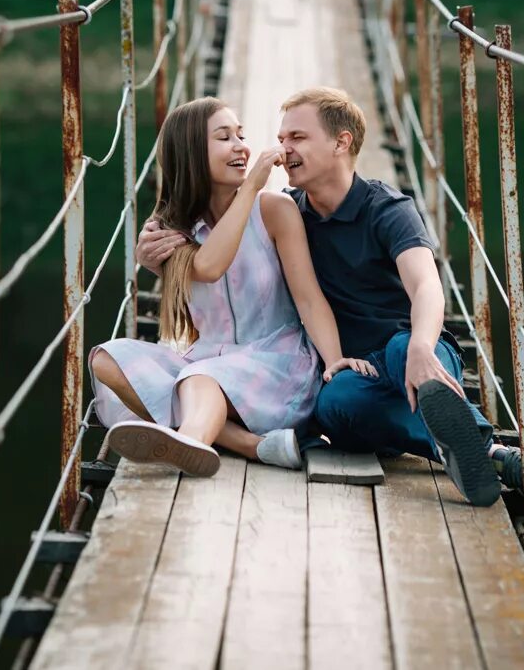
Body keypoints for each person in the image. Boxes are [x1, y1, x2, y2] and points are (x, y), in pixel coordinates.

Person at [139, 87, 524, 506]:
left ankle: (491, 454)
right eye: (282, 138)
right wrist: (159, 259)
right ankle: (484, 455)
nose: (282, 149)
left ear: (341, 142)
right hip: (351, 372)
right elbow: (229, 261)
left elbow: (426, 285)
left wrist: (422, 345)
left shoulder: (388, 208)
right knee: (336, 404)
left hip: (408, 347)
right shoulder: (288, 212)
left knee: (400, 351)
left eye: (297, 138)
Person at [90, 96, 374, 478]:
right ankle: (250, 445)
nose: (241, 146)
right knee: (105, 358)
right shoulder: (173, 227)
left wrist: (335, 361)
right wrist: (156, 267)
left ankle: (189, 438)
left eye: (240, 134)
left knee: (198, 380)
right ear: (191, 152)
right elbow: (205, 272)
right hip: (205, 360)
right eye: (224, 138)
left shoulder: (274, 210)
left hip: (276, 363)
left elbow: (306, 298)